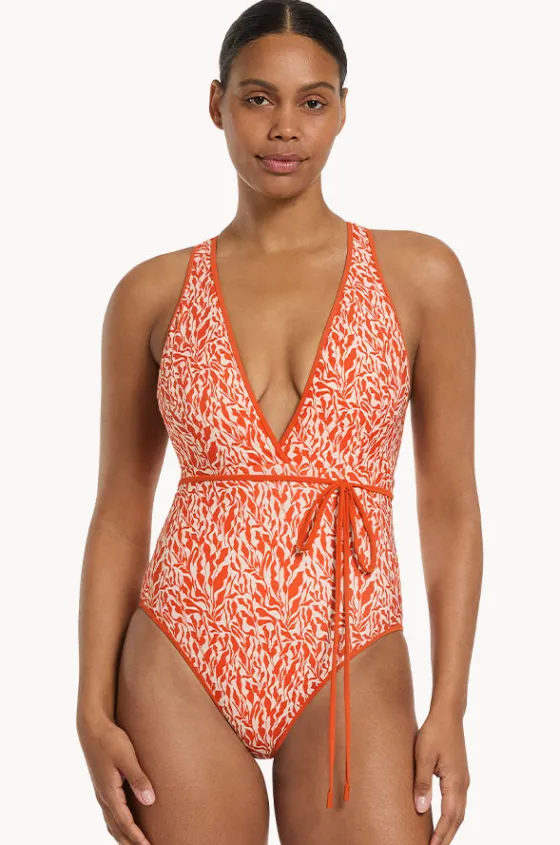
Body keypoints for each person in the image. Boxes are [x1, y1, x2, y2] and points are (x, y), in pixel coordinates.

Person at [76, 1, 482, 843]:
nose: (285, 128)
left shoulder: (421, 275)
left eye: (313, 101)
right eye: (258, 98)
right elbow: (119, 508)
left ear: (343, 110)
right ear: (216, 103)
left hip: (352, 646)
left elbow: (448, 501)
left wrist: (450, 702)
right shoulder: (150, 293)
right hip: (181, 649)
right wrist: (89, 704)